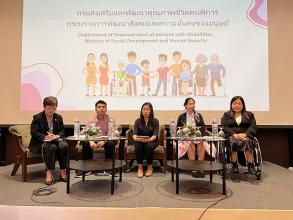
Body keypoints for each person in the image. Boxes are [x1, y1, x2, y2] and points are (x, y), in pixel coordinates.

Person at [28, 96, 68, 185]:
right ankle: (49, 172)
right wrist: (45, 137)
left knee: (63, 146)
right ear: (44, 107)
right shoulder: (37, 117)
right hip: (40, 142)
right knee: (51, 147)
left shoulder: (58, 117)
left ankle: (62, 171)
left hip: (55, 140)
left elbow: (62, 131)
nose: (51, 111)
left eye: (54, 108)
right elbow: (34, 132)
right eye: (49, 108)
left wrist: (57, 136)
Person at [76, 100, 117, 177]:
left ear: (106, 109)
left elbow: (111, 133)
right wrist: (91, 142)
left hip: (106, 139)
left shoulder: (110, 119)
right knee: (86, 143)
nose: (101, 108)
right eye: (99, 107)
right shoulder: (91, 119)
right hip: (94, 138)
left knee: (111, 143)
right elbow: (87, 132)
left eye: (103, 107)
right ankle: (87, 169)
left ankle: (109, 169)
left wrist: (104, 141)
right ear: (95, 109)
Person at [221, 96, 257, 174]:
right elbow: (224, 127)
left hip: (245, 136)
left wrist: (245, 134)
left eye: (239, 104)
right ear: (231, 105)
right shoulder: (227, 114)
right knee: (231, 141)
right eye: (234, 104)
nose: (236, 106)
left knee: (247, 141)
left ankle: (250, 165)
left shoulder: (249, 114)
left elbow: (253, 127)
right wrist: (234, 134)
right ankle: (234, 165)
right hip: (232, 136)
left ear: (243, 105)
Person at [177, 97, 209, 178]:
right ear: (185, 105)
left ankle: (200, 168)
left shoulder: (198, 115)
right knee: (190, 142)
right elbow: (179, 129)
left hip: (197, 136)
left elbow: (202, 127)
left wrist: (197, 133)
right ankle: (194, 169)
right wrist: (186, 132)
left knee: (201, 143)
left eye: (193, 103)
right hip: (186, 137)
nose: (192, 105)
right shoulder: (182, 116)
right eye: (190, 104)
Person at [133, 102, 159, 178]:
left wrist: (148, 140)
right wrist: (137, 138)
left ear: (151, 111)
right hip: (140, 141)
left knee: (148, 146)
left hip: (152, 141)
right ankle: (140, 168)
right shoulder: (138, 121)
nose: (145, 111)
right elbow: (135, 134)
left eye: (147, 110)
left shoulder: (155, 121)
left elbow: (155, 135)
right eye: (143, 109)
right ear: (141, 111)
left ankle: (150, 167)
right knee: (137, 145)